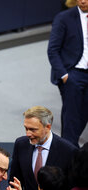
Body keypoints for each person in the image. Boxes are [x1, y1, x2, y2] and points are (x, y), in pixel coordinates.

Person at [9, 106, 78, 190]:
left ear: (48, 127)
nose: (28, 134)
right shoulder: (21, 144)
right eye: (26, 128)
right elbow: (14, 180)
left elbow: (71, 188)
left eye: (33, 130)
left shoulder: (68, 151)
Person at [47, 0, 88, 148]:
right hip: (73, 74)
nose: (82, 1)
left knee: (83, 115)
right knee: (71, 118)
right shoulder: (63, 18)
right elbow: (52, 50)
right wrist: (65, 76)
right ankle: (69, 156)